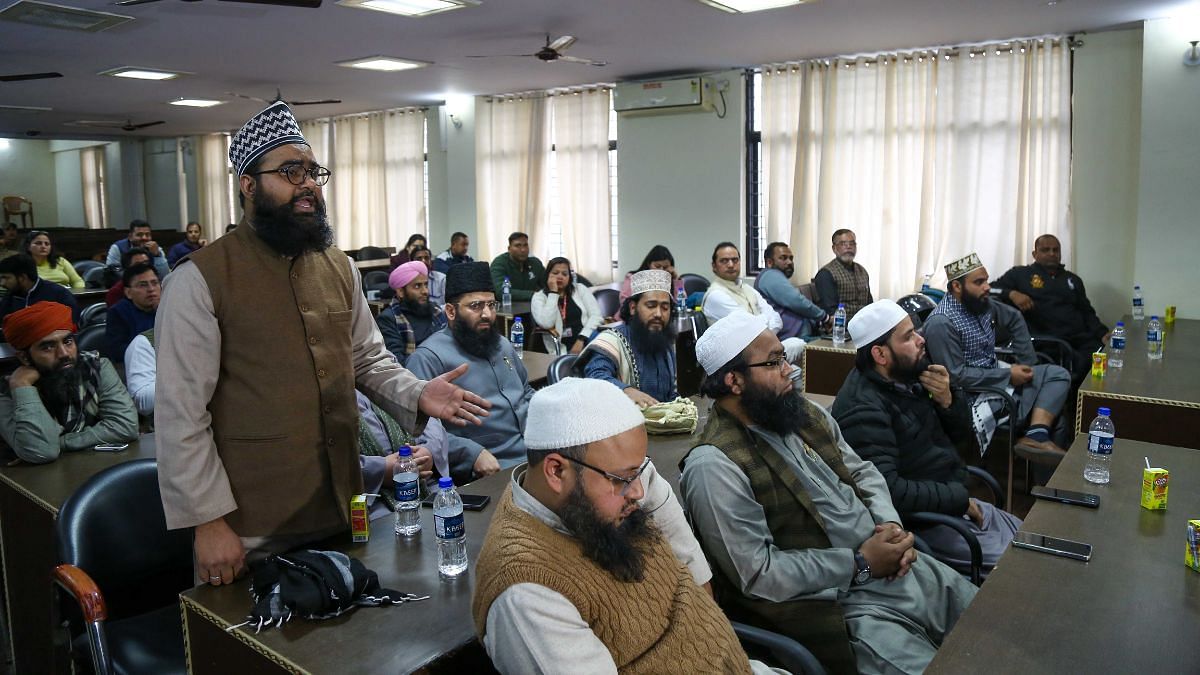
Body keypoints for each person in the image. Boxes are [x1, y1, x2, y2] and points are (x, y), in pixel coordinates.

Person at [154, 102, 491, 588]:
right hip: (253, 526)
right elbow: (181, 414)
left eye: (313, 172)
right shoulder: (199, 282)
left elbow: (367, 358)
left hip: (344, 505)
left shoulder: (338, 267)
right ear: (249, 185)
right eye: (291, 171)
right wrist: (208, 522)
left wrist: (416, 393)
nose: (309, 183)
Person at [679, 310, 977, 673]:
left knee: (992, 626)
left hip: (891, 564)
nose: (789, 369)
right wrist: (859, 564)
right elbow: (758, 574)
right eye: (774, 362)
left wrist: (889, 527)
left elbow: (863, 471)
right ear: (734, 380)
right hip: (835, 605)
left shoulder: (798, 411)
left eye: (784, 357)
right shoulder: (714, 465)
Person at [473, 377, 774, 675]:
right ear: (555, 471)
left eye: (639, 471)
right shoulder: (526, 595)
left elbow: (696, 582)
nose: (639, 492)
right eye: (624, 478)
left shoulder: (620, 478)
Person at [832, 299, 1022, 574]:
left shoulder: (910, 375)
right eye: (908, 336)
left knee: (1031, 540)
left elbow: (962, 443)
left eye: (916, 331)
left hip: (952, 500)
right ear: (880, 354)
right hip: (926, 522)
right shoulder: (862, 408)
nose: (921, 340)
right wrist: (959, 499)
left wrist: (948, 400)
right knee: (1023, 568)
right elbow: (889, 491)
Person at [922, 253, 1073, 464]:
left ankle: (1035, 436)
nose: (987, 287)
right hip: (972, 397)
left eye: (986, 280)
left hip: (996, 376)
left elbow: (1014, 317)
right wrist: (1007, 375)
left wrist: (1026, 364)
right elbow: (956, 377)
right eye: (979, 282)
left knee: (1058, 375)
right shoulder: (942, 323)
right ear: (957, 287)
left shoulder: (981, 304)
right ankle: (1046, 481)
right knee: (1057, 420)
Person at [407, 261, 533, 482]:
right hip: (490, 468)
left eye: (491, 305)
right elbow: (417, 431)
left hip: (535, 454)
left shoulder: (502, 344)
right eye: (475, 306)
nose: (487, 314)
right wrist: (471, 454)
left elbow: (525, 391)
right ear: (451, 311)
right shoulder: (428, 358)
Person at [0, 302, 138, 464]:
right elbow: (41, 452)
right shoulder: (8, 391)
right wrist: (22, 385)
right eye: (48, 347)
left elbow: (125, 426)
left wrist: (60, 443)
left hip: (94, 467)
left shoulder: (96, 367)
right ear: (24, 357)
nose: (64, 354)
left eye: (68, 342)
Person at [991, 234, 1107, 377]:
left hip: (1081, 338)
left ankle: (1095, 397)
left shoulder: (1073, 279)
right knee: (1081, 368)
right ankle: (1073, 397)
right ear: (1035, 254)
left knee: (1107, 361)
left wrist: (1102, 333)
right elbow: (989, 289)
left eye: (1055, 250)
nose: (1052, 254)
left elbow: (1087, 311)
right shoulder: (1020, 274)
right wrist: (1011, 293)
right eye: (1045, 250)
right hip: (1049, 341)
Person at [577, 269, 678, 407]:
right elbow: (595, 376)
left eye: (665, 308)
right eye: (651, 306)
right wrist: (627, 391)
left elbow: (670, 393)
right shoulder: (611, 340)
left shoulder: (664, 343)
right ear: (632, 308)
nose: (658, 314)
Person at [375, 260, 447, 365]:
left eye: (426, 285)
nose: (425, 291)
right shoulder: (388, 319)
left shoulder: (435, 310)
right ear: (400, 292)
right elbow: (397, 362)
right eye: (417, 286)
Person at [701, 242, 782, 332]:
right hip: (734, 346)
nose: (731, 265)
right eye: (724, 261)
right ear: (714, 266)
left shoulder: (746, 288)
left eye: (735, 260)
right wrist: (765, 323)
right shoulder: (715, 295)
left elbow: (776, 319)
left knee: (796, 342)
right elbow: (749, 327)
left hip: (764, 342)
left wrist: (766, 333)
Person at [755, 242, 829, 339]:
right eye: (783, 258)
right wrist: (824, 318)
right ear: (769, 262)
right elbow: (797, 301)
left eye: (791, 258)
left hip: (802, 334)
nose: (789, 262)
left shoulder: (774, 277)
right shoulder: (769, 276)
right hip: (793, 338)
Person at [531, 256, 602, 355]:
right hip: (559, 349)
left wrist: (581, 339)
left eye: (564, 274)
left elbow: (596, 316)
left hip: (585, 341)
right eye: (555, 273)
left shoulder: (580, 289)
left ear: (569, 277)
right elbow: (547, 323)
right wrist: (553, 293)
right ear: (548, 275)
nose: (560, 277)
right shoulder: (539, 297)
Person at [0, 254, 80, 327]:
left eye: (6, 278)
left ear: (22, 278)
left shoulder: (59, 294)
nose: (2, 283)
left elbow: (70, 327)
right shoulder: (10, 296)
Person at [104, 263, 159, 364]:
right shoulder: (118, 312)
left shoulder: (166, 307)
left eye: (155, 283)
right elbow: (117, 352)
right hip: (139, 365)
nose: (151, 289)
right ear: (128, 292)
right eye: (143, 285)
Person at [813, 229, 873, 320]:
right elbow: (830, 310)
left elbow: (869, 303)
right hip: (841, 325)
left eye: (852, 243)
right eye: (843, 244)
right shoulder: (826, 274)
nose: (848, 247)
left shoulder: (862, 271)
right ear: (834, 248)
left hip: (866, 322)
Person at [489, 231, 545, 302]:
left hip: (533, 307)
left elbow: (547, 286)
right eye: (518, 246)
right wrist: (534, 295)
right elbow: (501, 292)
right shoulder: (499, 263)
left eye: (525, 245)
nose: (523, 249)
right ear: (509, 249)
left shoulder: (535, 263)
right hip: (507, 308)